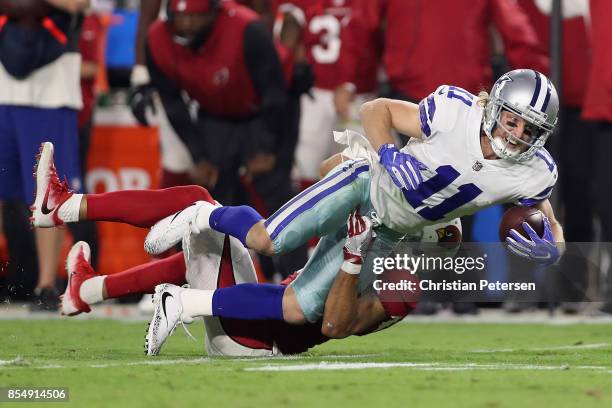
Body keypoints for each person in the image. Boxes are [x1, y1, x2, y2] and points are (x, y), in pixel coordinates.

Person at [145, 69, 566, 325]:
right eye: (513, 121)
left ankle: (182, 302)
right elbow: (375, 110)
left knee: (297, 309)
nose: (517, 135)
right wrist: (386, 152)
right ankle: (202, 214)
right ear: (496, 108)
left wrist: (556, 249)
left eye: (529, 130)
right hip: (367, 181)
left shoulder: (533, 170)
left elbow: (546, 216)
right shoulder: (456, 110)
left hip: (390, 231)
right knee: (267, 241)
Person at [30, 142, 416, 356]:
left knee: (203, 207)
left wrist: (352, 258)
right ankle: (87, 290)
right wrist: (371, 157)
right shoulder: (386, 208)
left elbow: (333, 324)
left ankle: (64, 206)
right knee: (201, 248)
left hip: (255, 337)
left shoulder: (406, 279)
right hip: (254, 323)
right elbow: (328, 169)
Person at [0, 0, 90, 310]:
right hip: (3, 84)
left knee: (48, 191)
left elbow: (79, 3)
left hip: (52, 90)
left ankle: (46, 285)